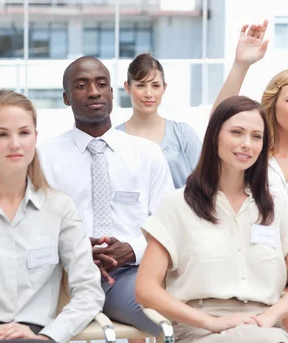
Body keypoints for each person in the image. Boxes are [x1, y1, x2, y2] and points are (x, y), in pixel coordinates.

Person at [136, 95, 288, 343]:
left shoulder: (276, 206)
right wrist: (211, 323)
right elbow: (146, 288)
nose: (247, 144)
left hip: (264, 330)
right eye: (237, 132)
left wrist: (270, 316)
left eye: (256, 136)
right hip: (199, 331)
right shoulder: (177, 205)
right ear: (215, 137)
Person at [0, 90, 104, 343]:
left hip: (37, 336)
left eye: (24, 133)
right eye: (2, 134)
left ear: (35, 138)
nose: (15, 143)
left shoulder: (60, 208)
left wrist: (50, 337)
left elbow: (89, 292)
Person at [210, 21, 288, 342]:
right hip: (253, 267)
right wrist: (242, 63)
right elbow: (219, 121)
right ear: (273, 103)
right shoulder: (248, 153)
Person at [39, 56, 174, 338]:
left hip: (129, 275)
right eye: (81, 85)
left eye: (102, 84)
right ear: (66, 97)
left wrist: (133, 250)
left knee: (174, 319)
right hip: (64, 277)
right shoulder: (43, 158)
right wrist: (74, 251)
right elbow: (35, 229)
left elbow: (169, 226)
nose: (94, 92)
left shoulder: (146, 154)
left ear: (113, 93)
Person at [118, 53, 202, 189]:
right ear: (127, 87)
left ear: (164, 88)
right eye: (140, 85)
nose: (148, 93)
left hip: (182, 209)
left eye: (155, 86)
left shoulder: (182, 134)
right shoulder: (115, 138)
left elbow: (206, 182)